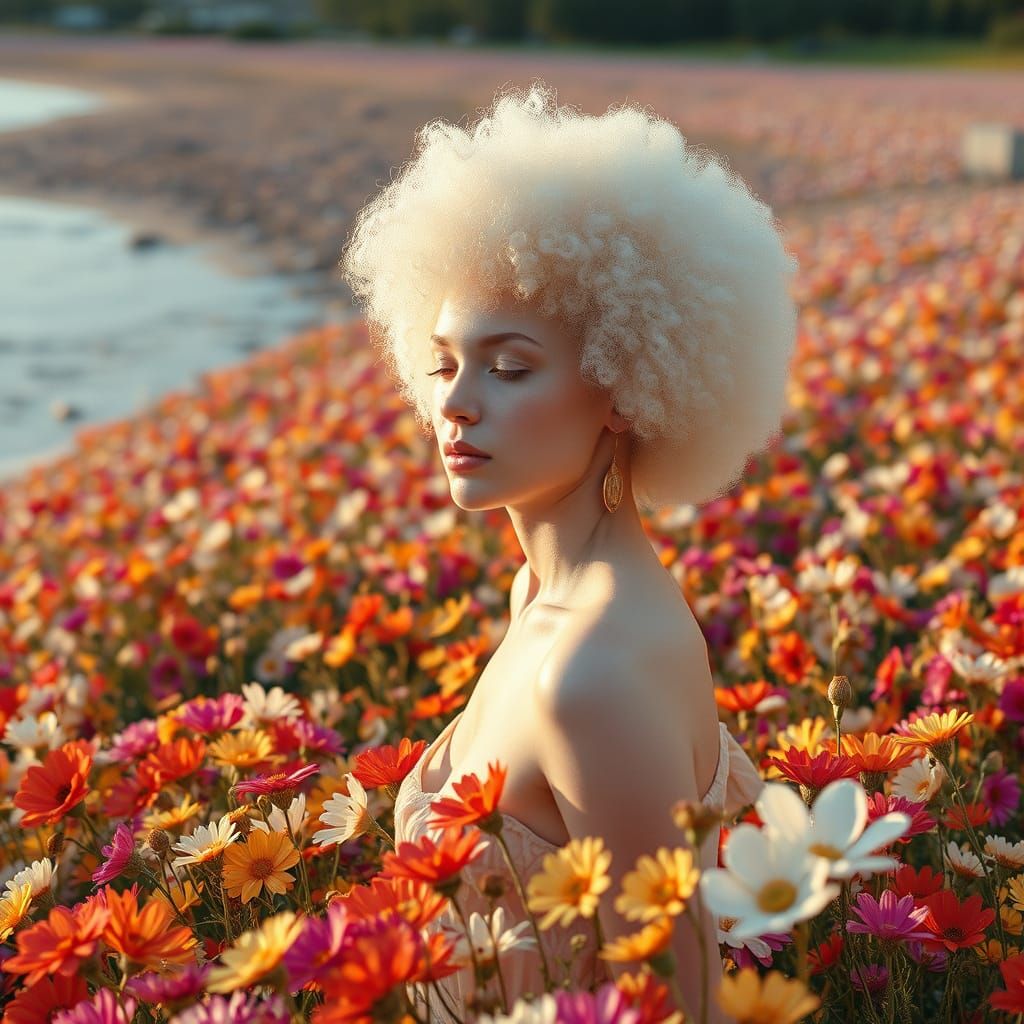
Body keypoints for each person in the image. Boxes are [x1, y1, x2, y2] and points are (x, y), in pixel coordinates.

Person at [338, 81, 797, 1024]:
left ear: (626, 388)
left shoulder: (592, 676)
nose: (455, 403)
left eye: (509, 369)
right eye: (443, 362)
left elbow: (683, 1006)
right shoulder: (543, 599)